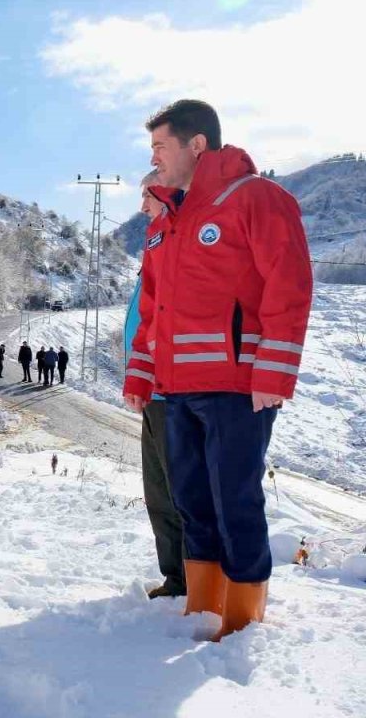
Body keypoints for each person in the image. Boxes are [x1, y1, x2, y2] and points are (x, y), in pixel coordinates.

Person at [123, 100, 312, 640]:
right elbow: (153, 313)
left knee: (236, 503)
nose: (154, 157)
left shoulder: (256, 198)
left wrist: (273, 376)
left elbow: (289, 286)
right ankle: (203, 609)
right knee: (192, 504)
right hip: (176, 391)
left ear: (196, 144)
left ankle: (243, 621)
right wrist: (141, 377)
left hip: (236, 389)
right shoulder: (165, 223)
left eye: (160, 146)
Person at [125, 169, 186, 601]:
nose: (142, 206)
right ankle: (177, 580)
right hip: (153, 392)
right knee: (158, 494)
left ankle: (194, 584)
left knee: (181, 495)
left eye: (146, 195)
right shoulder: (156, 245)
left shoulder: (181, 244)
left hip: (176, 390)